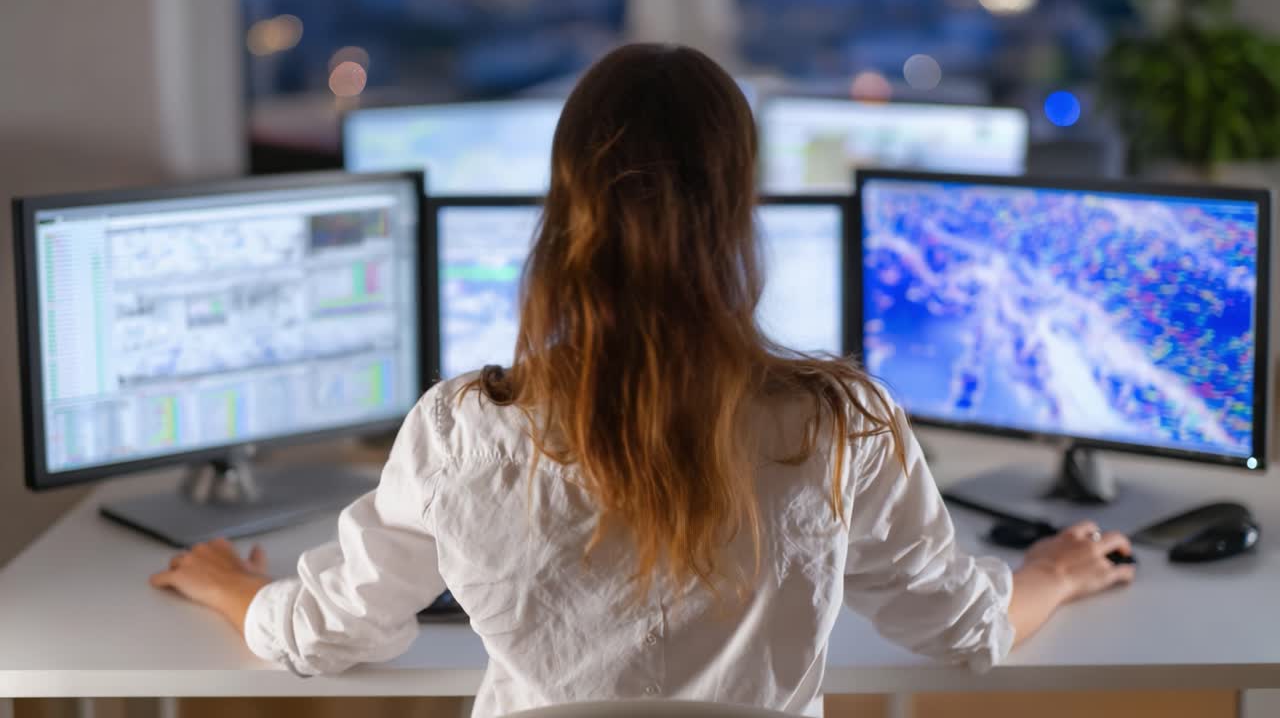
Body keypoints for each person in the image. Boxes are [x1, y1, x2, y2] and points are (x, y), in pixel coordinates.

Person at [149, 44, 1134, 717]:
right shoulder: (841, 424)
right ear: (735, 211)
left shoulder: (462, 429)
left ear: (565, 211)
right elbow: (960, 628)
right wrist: (1045, 574)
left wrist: (234, 590)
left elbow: (326, 633)